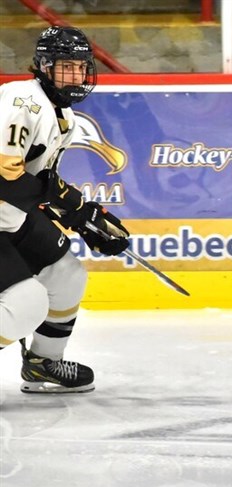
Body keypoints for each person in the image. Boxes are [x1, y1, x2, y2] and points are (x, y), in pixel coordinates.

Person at [0, 26, 130, 393]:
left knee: (66, 274)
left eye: (79, 67)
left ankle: (43, 365)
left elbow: (38, 182)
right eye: (65, 67)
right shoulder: (21, 101)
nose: (75, 76)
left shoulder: (64, 116)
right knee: (26, 303)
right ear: (43, 66)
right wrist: (72, 206)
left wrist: (83, 216)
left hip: (10, 218)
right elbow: (5, 177)